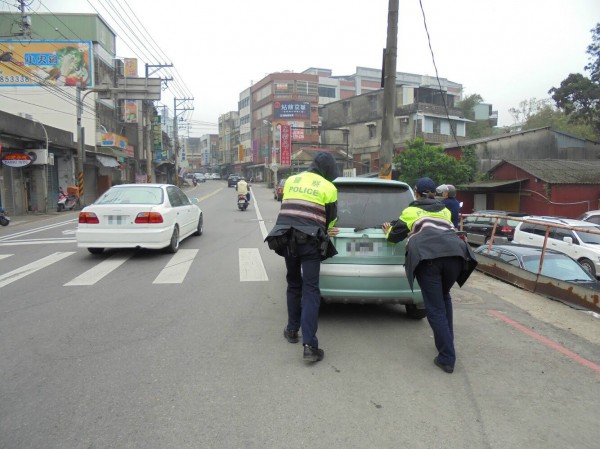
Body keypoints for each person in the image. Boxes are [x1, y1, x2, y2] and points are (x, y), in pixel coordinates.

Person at [382, 177, 477, 374]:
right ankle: (446, 344)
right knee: (444, 297)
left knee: (434, 308)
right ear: (434, 193)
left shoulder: (411, 211)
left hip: (430, 258)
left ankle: (447, 358)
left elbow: (394, 237)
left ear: (416, 192)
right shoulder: (444, 210)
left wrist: (387, 229)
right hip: (457, 256)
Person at [265, 152, 340, 363]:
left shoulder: (291, 180)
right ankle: (310, 346)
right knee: (311, 289)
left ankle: (291, 330)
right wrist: (328, 230)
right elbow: (330, 220)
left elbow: (287, 208)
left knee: (293, 284)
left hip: (287, 238)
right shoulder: (329, 187)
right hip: (309, 241)